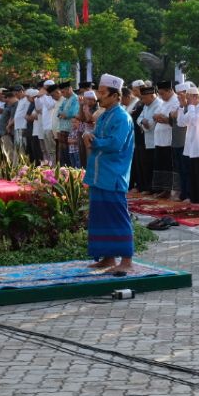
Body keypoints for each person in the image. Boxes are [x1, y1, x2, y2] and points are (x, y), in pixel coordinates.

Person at [82, 74, 136, 273]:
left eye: (103, 93)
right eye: (99, 92)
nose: (99, 97)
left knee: (117, 217)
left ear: (115, 96)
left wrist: (94, 141)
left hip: (113, 175)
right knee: (101, 217)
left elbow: (116, 143)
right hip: (99, 174)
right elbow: (98, 136)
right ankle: (108, 258)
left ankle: (127, 261)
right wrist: (89, 135)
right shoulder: (104, 114)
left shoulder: (122, 117)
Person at [54, 81, 79, 166]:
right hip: (62, 129)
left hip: (70, 130)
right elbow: (59, 111)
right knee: (63, 156)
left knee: (69, 156)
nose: (62, 94)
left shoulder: (75, 99)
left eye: (63, 92)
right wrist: (63, 114)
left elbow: (72, 113)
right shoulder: (65, 100)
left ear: (69, 89)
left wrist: (64, 114)